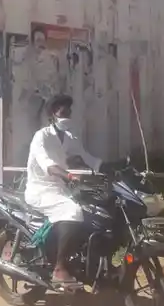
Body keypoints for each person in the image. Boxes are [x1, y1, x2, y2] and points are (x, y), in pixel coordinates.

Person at [24, 94, 117, 287]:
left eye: (69, 111)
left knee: (93, 213)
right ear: (53, 114)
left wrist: (112, 168)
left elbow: (88, 158)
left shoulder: (69, 137)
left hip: (61, 190)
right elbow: (48, 166)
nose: (68, 114)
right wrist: (70, 176)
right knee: (73, 211)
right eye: (63, 111)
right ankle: (59, 268)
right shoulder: (41, 136)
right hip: (41, 190)